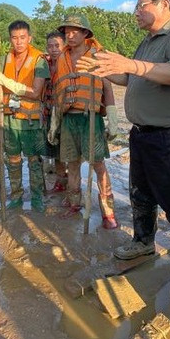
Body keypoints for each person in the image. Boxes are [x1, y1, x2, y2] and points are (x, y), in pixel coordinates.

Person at [77, 0, 170, 301]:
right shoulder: (148, 40)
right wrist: (105, 70)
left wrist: (130, 65)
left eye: (141, 5)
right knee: (141, 194)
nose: (136, 12)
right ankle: (143, 242)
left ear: (163, 4)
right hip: (143, 134)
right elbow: (132, 76)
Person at [49, 15, 119, 229]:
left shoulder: (98, 55)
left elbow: (107, 88)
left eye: (75, 31)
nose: (70, 36)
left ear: (85, 33)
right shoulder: (62, 58)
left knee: (98, 165)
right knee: (72, 164)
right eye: (67, 32)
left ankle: (108, 212)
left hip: (91, 118)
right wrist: (54, 123)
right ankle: (74, 204)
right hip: (69, 119)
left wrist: (113, 120)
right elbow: (59, 93)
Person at [0, 20, 50, 213]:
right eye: (15, 38)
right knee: (12, 159)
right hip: (9, 118)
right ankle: (16, 198)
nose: (19, 42)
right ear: (10, 40)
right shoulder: (5, 58)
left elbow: (36, 92)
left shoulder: (39, 59)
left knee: (34, 160)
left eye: (23, 37)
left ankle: (37, 198)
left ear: (29, 38)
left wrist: (6, 81)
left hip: (30, 120)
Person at [44, 31, 68, 192]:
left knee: (69, 152)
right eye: (50, 46)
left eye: (57, 46)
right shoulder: (43, 64)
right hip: (48, 113)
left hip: (65, 114)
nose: (53, 49)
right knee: (55, 150)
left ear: (64, 46)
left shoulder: (69, 64)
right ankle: (60, 182)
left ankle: (70, 183)